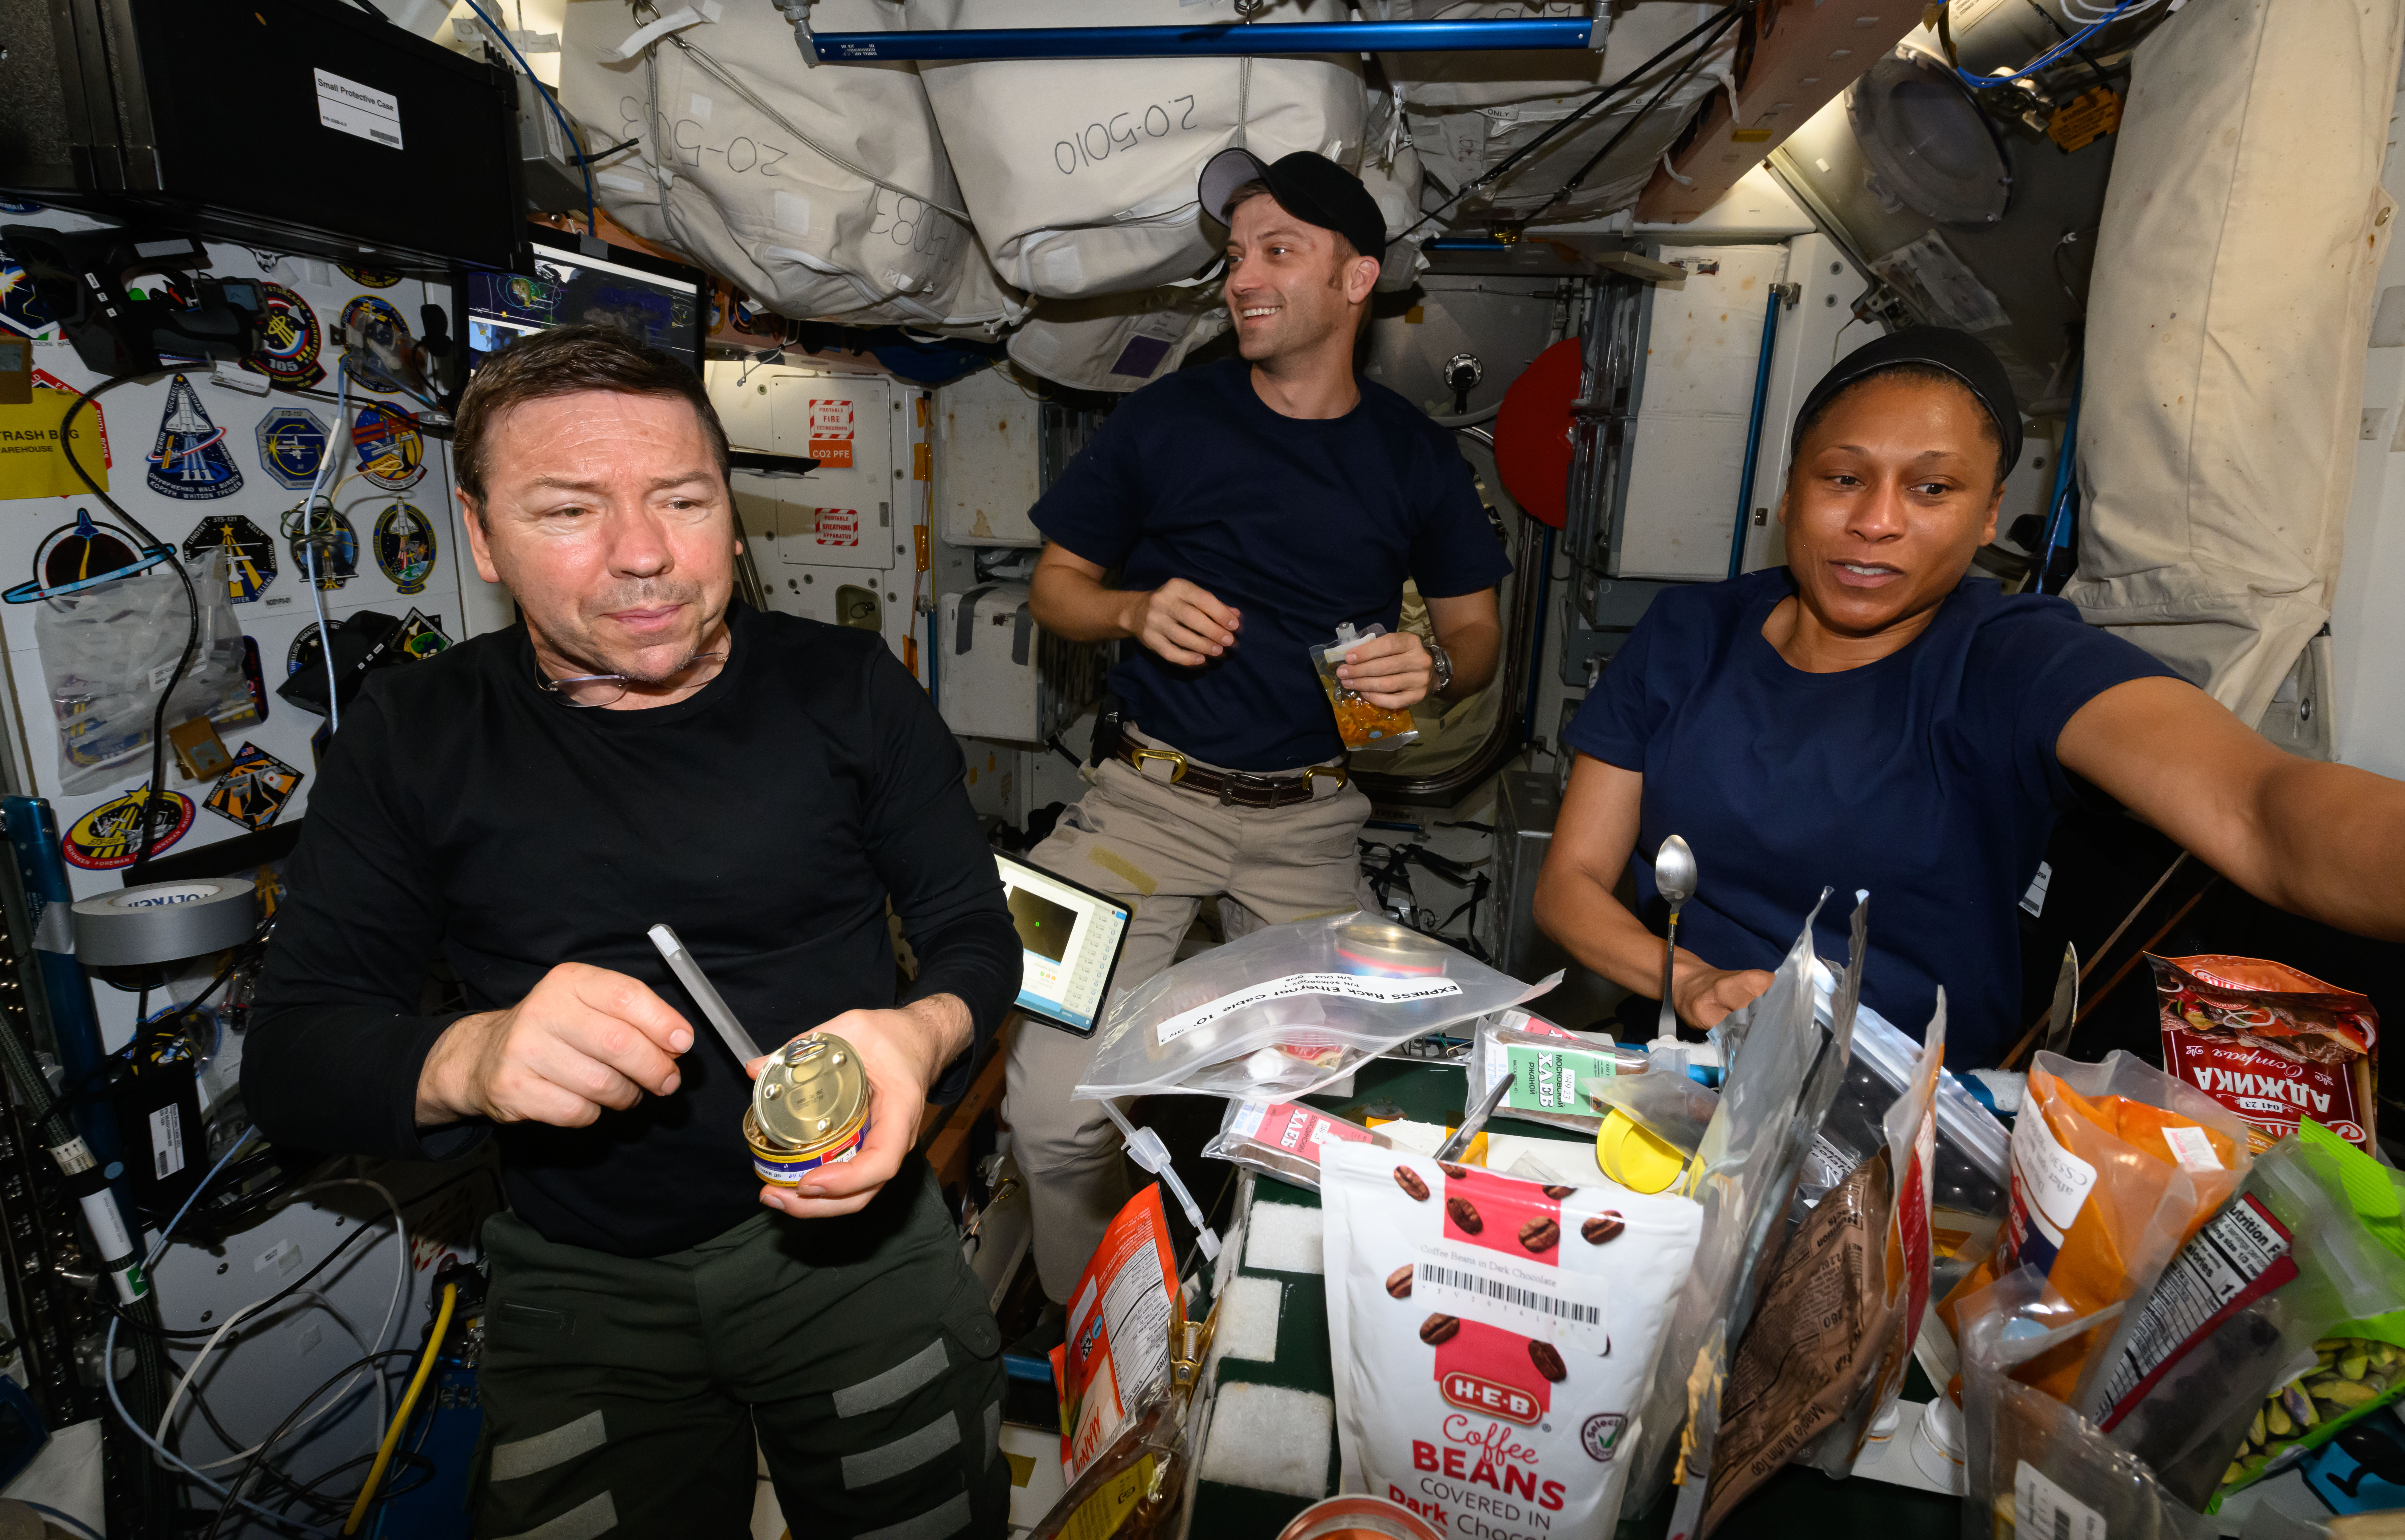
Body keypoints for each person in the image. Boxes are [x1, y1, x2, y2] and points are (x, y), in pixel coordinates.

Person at [241, 327, 1018, 1540]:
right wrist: (475, 1058)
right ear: (482, 533)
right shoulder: (414, 735)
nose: (647, 554)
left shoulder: (850, 685)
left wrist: (920, 1035)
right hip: (579, 1281)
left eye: (683, 498)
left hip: (858, 1258)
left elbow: (977, 932)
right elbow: (291, 1062)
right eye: (569, 510)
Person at [1534, 327, 2405, 1069]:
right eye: (1844, 478)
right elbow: (1570, 883)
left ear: (1987, 515)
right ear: (1792, 492)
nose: (1877, 521)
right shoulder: (1690, 634)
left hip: (1906, 1107)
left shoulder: (2011, 662)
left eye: (1932, 488)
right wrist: (1693, 982)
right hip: (1683, 1055)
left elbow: (2260, 807)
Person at [1011, 149, 1512, 1297]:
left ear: (1357, 280)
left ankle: (1247, 1327)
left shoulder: (1412, 458)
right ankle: (1098, 1349)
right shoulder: (1164, 422)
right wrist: (1132, 608)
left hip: (1309, 827)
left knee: (1328, 1123)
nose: (1242, 277)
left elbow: (1479, 638)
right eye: (1236, 256)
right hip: (1136, 806)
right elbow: (1057, 589)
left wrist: (1431, 666)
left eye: (1278, 251)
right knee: (1047, 1111)